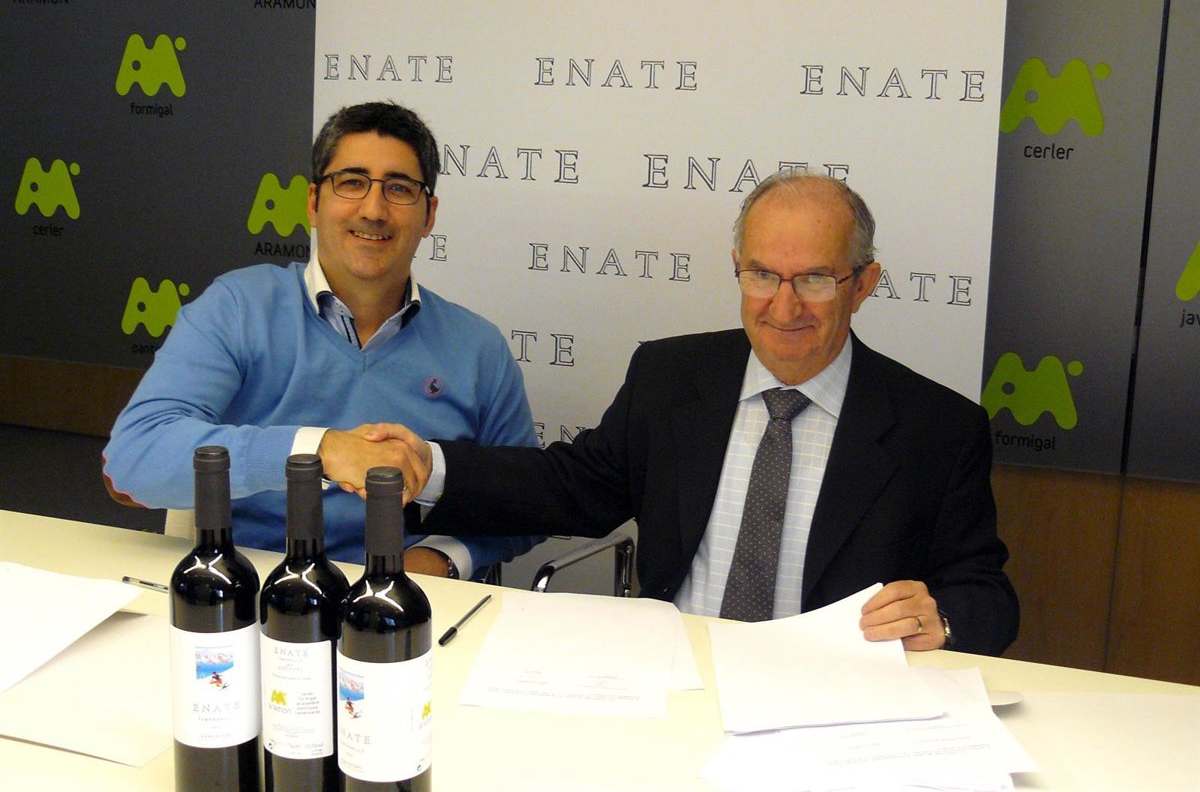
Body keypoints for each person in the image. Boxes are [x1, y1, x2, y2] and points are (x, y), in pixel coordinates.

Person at [367, 170, 1019, 654]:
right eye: (762, 275)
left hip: (833, 697)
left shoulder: (938, 430)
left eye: (814, 279)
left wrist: (944, 617)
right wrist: (432, 466)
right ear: (737, 269)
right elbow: (570, 487)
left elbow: (987, 593)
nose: (784, 306)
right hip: (674, 677)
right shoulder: (671, 378)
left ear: (864, 285)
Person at [103, 101, 541, 578]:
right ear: (313, 203)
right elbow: (133, 460)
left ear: (429, 214)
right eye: (351, 182)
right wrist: (320, 450)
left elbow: (528, 502)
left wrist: (445, 558)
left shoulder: (478, 348)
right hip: (258, 589)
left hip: (408, 597)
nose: (373, 210)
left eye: (399, 188)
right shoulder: (237, 308)